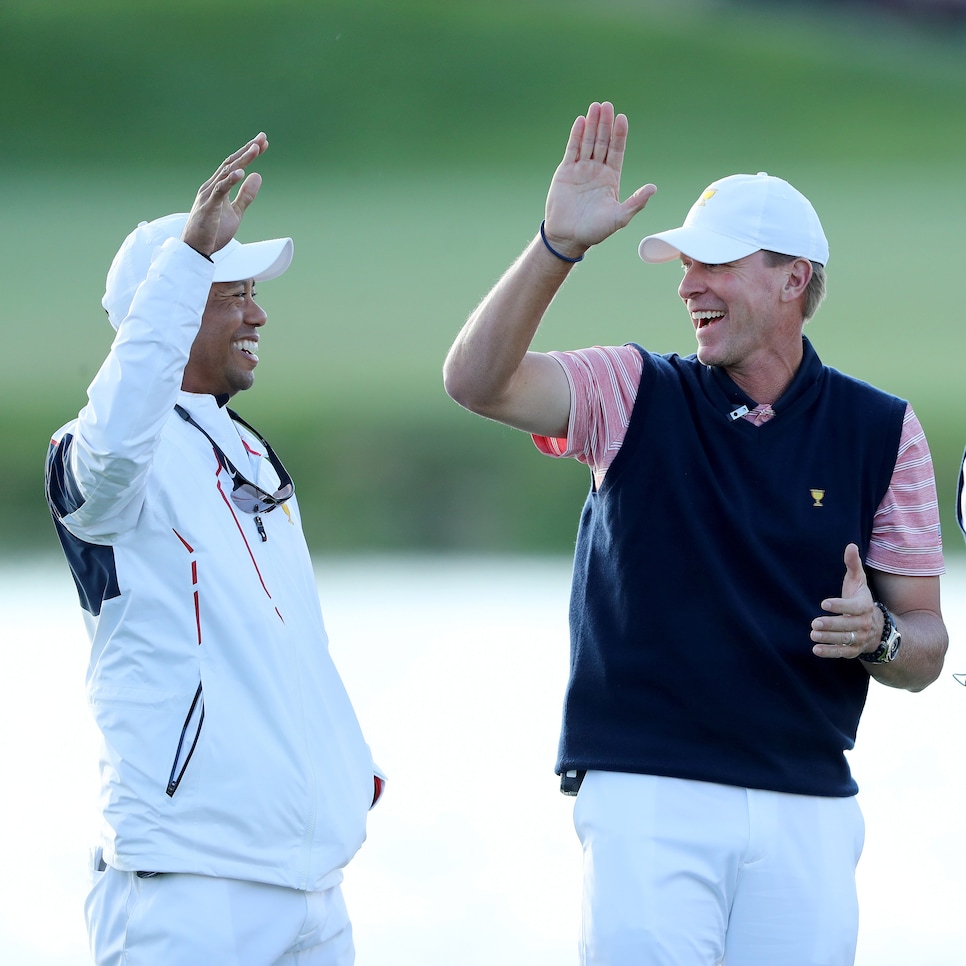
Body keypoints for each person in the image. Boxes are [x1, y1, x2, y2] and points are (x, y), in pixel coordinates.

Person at [443, 102, 948, 964]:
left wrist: (881, 636)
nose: (687, 285)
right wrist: (556, 246)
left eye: (714, 263)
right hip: (649, 795)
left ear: (794, 279)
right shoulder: (633, 388)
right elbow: (476, 381)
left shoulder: (883, 429)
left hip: (809, 806)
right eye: (684, 265)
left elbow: (927, 646)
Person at [45, 134, 383, 965]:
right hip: (188, 890)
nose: (260, 313)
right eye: (233, 294)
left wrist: (344, 767)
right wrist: (187, 261)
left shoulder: (248, 453)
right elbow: (118, 441)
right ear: (171, 308)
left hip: (310, 887)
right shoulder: (102, 455)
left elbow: (278, 643)